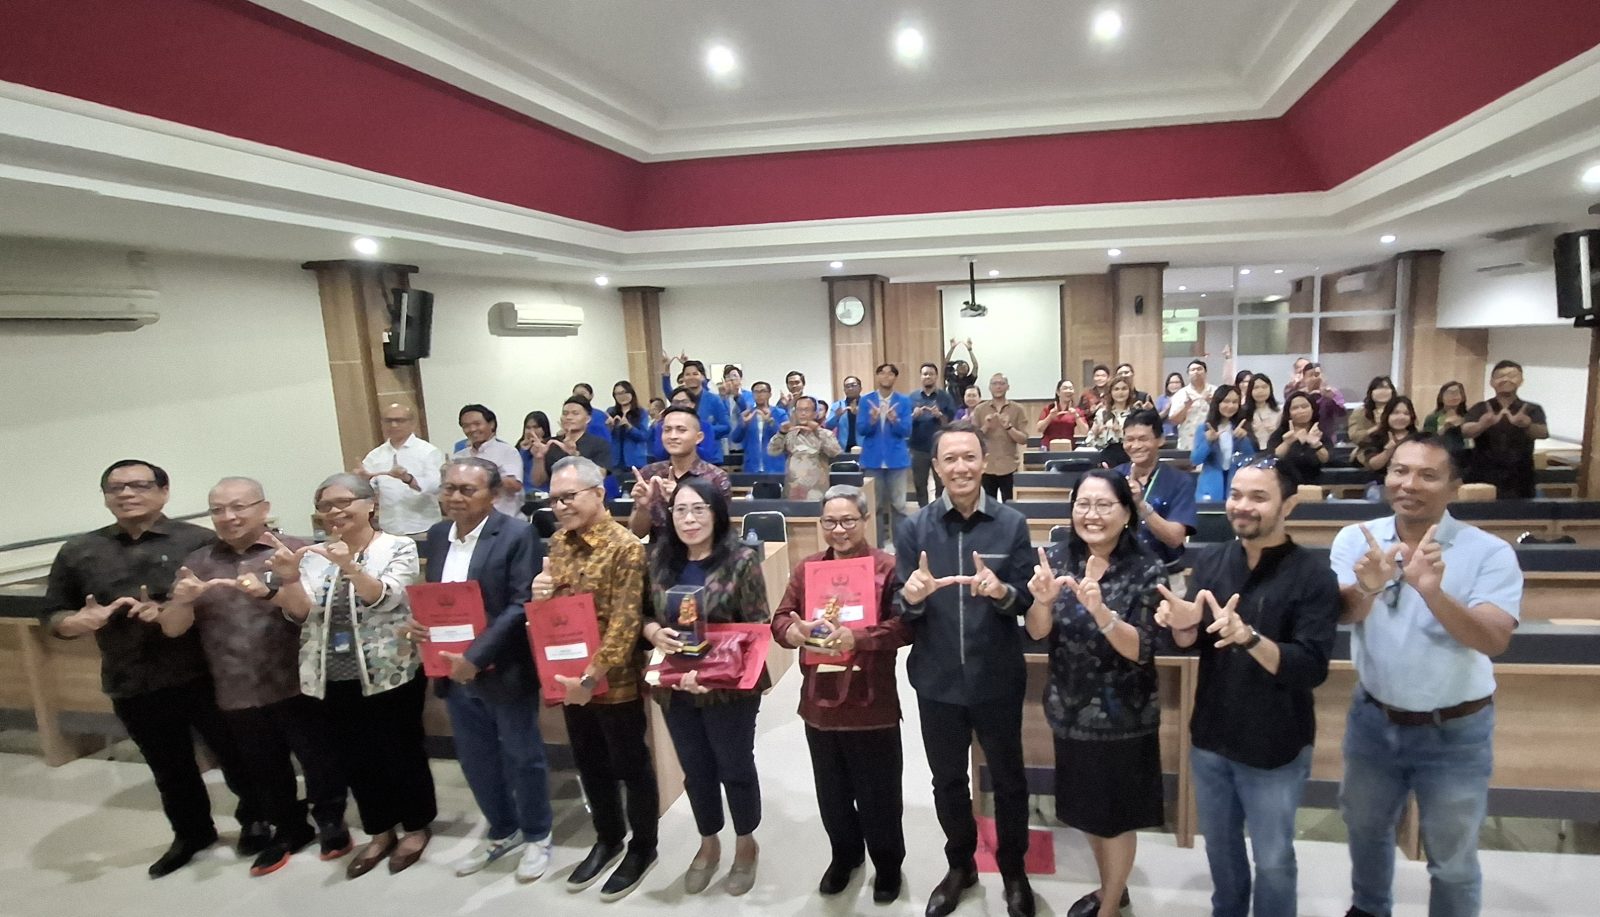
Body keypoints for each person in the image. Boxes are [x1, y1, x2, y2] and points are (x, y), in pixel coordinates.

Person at [1329, 435, 1522, 917]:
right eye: (1399, 471)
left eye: (1427, 475)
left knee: (1452, 859)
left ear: (1454, 486)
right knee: (1366, 833)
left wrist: (1433, 592)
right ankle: (1370, 908)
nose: (1408, 484)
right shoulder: (1357, 539)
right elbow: (1342, 614)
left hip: (1455, 732)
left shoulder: (1489, 552)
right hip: (1373, 722)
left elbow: (1494, 640)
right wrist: (1370, 587)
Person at [44, 459, 258, 877]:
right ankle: (192, 833)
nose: (126, 494)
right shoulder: (79, 551)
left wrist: (170, 608)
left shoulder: (199, 542)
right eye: (115, 488)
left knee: (236, 756)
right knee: (169, 767)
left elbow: (228, 600)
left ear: (164, 492)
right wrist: (75, 623)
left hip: (205, 672)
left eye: (139, 485)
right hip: (132, 678)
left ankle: (256, 820)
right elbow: (53, 613)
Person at [1156, 457, 1339, 917]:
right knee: (1220, 851)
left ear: (1288, 505)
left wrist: (1250, 638)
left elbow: (1311, 667)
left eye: (1259, 497)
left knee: (1274, 860)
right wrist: (1181, 626)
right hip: (1212, 737)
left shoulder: (1314, 576)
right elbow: (1196, 642)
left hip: (1276, 745)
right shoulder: (1214, 559)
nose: (1243, 506)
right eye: (1236, 495)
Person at [156, 477, 350, 877]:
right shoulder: (197, 562)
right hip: (234, 684)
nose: (228, 517)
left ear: (264, 508)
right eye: (218, 510)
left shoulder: (296, 550)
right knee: (263, 767)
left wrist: (284, 581)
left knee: (319, 758)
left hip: (298, 678)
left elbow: (305, 613)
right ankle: (289, 828)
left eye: (239, 507)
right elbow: (173, 629)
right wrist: (182, 600)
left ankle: (331, 822)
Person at [895, 421, 1038, 917]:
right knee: (947, 781)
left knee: (1009, 778)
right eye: (949, 459)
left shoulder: (1010, 524)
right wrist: (910, 599)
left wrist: (1002, 593)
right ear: (936, 467)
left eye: (969, 457)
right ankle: (961, 865)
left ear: (984, 462)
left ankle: (1014, 868)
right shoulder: (915, 528)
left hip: (996, 675)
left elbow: (1026, 600)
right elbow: (901, 603)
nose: (960, 467)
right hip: (936, 680)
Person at [262, 473, 436, 878]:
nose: (335, 512)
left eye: (344, 502)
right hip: (331, 674)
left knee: (401, 752)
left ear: (371, 503)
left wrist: (350, 567)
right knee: (355, 757)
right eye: (325, 506)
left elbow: (387, 596)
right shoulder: (312, 554)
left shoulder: (398, 546)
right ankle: (379, 830)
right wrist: (288, 576)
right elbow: (300, 613)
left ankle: (414, 827)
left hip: (389, 670)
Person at [1025, 470, 1166, 917]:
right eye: (1083, 504)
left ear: (1126, 513)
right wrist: (1043, 601)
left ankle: (1108, 908)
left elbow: (1143, 648)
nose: (1092, 514)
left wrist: (1102, 613)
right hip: (1069, 710)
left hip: (1125, 716)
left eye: (1105, 505)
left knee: (1117, 819)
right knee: (1088, 813)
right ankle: (1113, 888)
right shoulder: (1060, 561)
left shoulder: (1147, 568)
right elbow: (1036, 631)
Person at [407, 458, 551, 881]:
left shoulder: (517, 534)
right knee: (476, 758)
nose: (454, 497)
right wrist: (420, 625)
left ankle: (538, 833)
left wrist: (477, 656)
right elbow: (439, 599)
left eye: (466, 490)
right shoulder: (437, 535)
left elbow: (521, 602)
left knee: (523, 755)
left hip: (501, 666)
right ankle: (503, 829)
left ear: (493, 495)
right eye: (448, 488)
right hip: (450, 668)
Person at [771, 485, 910, 903]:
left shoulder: (887, 568)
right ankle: (844, 855)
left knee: (879, 794)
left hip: (872, 701)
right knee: (831, 792)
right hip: (820, 701)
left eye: (848, 520)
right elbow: (779, 620)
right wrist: (792, 631)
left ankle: (887, 864)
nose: (839, 529)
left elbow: (905, 627)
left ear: (864, 520)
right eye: (830, 521)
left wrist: (859, 636)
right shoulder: (808, 569)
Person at [530, 457, 658, 900]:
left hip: (612, 679)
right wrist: (539, 595)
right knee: (590, 764)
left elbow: (626, 622)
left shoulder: (626, 546)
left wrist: (590, 677)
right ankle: (608, 838)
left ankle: (644, 846)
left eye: (570, 496)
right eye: (554, 499)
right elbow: (555, 618)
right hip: (568, 679)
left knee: (630, 765)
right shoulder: (558, 543)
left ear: (598, 494)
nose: (561, 506)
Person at [641, 480, 771, 896]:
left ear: (716, 513)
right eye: (680, 510)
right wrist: (653, 631)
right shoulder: (659, 558)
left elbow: (757, 627)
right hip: (675, 685)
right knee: (696, 770)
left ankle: (746, 843)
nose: (689, 519)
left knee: (734, 766)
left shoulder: (741, 561)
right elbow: (643, 613)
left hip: (729, 688)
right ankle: (708, 842)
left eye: (699, 509)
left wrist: (714, 673)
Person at [1115, 410, 1197, 594]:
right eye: (1129, 439)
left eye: (1143, 439)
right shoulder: (1115, 476)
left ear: (1160, 440)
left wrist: (1141, 505)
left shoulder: (1179, 481)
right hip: (1119, 574)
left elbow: (1175, 539)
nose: (1135, 446)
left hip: (1167, 577)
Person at [629, 405, 733, 539]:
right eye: (667, 430)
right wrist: (642, 507)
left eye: (681, 430)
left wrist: (679, 500)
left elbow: (720, 532)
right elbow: (638, 532)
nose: (673, 436)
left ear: (699, 437)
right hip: (660, 555)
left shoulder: (716, 478)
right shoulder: (650, 473)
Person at [1461, 359, 1548, 499]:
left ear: (1521, 381)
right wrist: (1482, 424)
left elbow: (1543, 433)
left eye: (1512, 375)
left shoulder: (1532, 409)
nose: (1506, 379)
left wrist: (1526, 425)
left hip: (1520, 476)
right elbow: (1465, 431)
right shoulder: (1481, 407)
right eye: (1500, 376)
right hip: (1483, 475)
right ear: (1492, 382)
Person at [356, 402, 444, 538]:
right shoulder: (375, 455)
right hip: (389, 529)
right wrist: (362, 480)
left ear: (412, 423)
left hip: (423, 527)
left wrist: (408, 479)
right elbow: (366, 491)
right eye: (388, 421)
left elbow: (436, 486)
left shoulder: (428, 451)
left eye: (399, 421)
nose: (394, 425)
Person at [859, 363, 914, 545]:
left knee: (899, 505)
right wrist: (873, 420)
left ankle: (901, 545)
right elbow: (861, 429)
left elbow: (906, 431)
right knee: (874, 506)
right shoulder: (866, 400)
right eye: (882, 373)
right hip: (873, 460)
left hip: (896, 460)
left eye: (890, 374)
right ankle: (877, 544)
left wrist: (894, 420)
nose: (886, 377)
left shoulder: (903, 401)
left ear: (895, 378)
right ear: (877, 377)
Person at [453, 404, 524, 517]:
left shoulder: (507, 452)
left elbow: (515, 486)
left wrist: (483, 476)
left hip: (503, 520)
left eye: (477, 424)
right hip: (469, 520)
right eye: (466, 426)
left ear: (491, 424)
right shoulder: (459, 457)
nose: (472, 429)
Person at [661, 354, 734, 464]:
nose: (691, 377)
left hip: (710, 457)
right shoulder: (680, 398)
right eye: (687, 374)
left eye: (695, 374)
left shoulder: (714, 399)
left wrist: (701, 430)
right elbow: (669, 392)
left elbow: (726, 427)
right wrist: (666, 369)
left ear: (702, 376)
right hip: (682, 457)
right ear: (683, 378)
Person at [768, 395, 843, 500]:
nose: (803, 413)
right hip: (793, 489)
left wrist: (817, 430)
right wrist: (781, 433)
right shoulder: (789, 433)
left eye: (806, 410)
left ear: (815, 413)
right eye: (799, 410)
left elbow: (835, 452)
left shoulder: (825, 434)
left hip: (817, 491)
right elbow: (772, 451)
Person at [530, 396, 611, 489]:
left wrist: (575, 455)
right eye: (565, 413)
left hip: (586, 498)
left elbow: (599, 476)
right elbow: (537, 482)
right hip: (557, 498)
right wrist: (538, 459)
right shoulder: (550, 443)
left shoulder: (599, 444)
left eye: (575, 413)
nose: (569, 417)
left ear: (588, 419)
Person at [972, 372, 1030, 501]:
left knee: (1010, 506)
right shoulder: (980, 409)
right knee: (987, 508)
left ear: (1008, 387)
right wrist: (986, 427)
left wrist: (1008, 427)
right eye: (994, 384)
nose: (998, 386)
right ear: (989, 387)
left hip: (1009, 466)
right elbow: (974, 439)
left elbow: (1023, 439)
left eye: (1002, 383)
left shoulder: (1018, 409)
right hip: (987, 467)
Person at [1192, 384, 1255, 503]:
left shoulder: (1243, 427)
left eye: (1235, 402)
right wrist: (1208, 441)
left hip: (1237, 486)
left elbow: (1251, 460)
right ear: (1217, 403)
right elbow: (1195, 459)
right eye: (1226, 401)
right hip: (1210, 486)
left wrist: (1244, 439)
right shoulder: (1204, 428)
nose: (1230, 406)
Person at [910, 362, 958, 505]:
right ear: (920, 377)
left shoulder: (945, 397)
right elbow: (903, 423)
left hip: (940, 448)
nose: (928, 377)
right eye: (925, 374)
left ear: (936, 376)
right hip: (918, 448)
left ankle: (941, 512)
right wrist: (914, 416)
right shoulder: (912, 397)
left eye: (931, 374)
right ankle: (924, 513)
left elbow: (950, 423)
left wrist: (939, 415)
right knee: (920, 485)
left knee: (942, 484)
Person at [1353, 396, 1418, 496]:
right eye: (1396, 413)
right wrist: (1388, 450)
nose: (1401, 417)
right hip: (1382, 483)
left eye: (1406, 413)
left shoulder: (1418, 438)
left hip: (1412, 483)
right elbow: (1373, 465)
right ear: (1387, 415)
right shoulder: (1376, 437)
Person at [1267, 391, 1330, 485]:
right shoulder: (1280, 433)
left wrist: (1316, 444)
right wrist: (1287, 443)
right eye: (1295, 408)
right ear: (1288, 413)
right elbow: (1272, 458)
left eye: (1305, 407)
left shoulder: (1319, 432)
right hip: (1284, 483)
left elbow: (1327, 459)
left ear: (1313, 409)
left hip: (1315, 484)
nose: (1301, 411)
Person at [730, 381, 789, 474]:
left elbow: (787, 438)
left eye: (763, 391)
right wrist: (743, 424)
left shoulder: (780, 413)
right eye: (756, 392)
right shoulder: (748, 413)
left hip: (775, 467)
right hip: (752, 468)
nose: (759, 395)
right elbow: (735, 438)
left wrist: (770, 422)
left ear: (769, 394)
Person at [1085, 377, 1138, 463]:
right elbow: (1089, 441)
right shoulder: (1102, 413)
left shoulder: (1136, 413)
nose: (1120, 392)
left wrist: (1120, 432)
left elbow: (1139, 439)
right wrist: (1097, 434)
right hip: (1106, 456)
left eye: (1124, 389)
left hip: (1130, 457)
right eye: (1116, 389)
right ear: (1110, 392)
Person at [1165, 358, 1214, 450]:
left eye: (1199, 369)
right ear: (1188, 374)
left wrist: (1211, 403)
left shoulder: (1215, 391)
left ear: (1205, 372)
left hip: (1211, 441)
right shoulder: (1180, 394)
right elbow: (1174, 420)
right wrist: (1186, 406)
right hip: (1187, 443)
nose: (1196, 372)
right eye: (1192, 370)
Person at [607, 381, 653, 473]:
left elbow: (644, 436)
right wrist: (609, 427)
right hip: (615, 461)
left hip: (635, 460)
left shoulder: (641, 412)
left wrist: (629, 426)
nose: (621, 396)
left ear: (631, 393)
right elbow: (606, 437)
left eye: (624, 392)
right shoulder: (611, 411)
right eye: (618, 394)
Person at [1299, 362, 1348, 438]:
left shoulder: (1333, 393)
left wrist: (1330, 398)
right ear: (1304, 379)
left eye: (1317, 375)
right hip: (1304, 435)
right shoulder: (1299, 395)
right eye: (1311, 375)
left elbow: (1341, 415)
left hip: (1328, 437)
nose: (1315, 378)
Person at [1347, 376, 1397, 447]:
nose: (1382, 391)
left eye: (1386, 387)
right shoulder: (1360, 412)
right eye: (1379, 388)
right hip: (1368, 449)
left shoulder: (1399, 409)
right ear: (1371, 392)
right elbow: (1354, 436)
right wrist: (1376, 428)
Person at [1036, 379, 1084, 451]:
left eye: (1071, 388)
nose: (1068, 391)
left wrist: (1076, 417)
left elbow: (1085, 431)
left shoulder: (1076, 411)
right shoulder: (1049, 409)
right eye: (1065, 388)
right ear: (1058, 392)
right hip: (1048, 447)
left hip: (1068, 448)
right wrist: (1050, 417)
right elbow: (1039, 429)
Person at [516, 410, 554, 497]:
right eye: (528, 428)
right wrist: (523, 450)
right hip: (521, 495)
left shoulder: (550, 447)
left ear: (544, 429)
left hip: (542, 494)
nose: (531, 431)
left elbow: (540, 480)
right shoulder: (519, 446)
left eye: (536, 427)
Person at [825, 375, 866, 453]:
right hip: (843, 448)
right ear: (844, 390)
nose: (850, 388)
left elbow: (874, 426)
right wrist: (837, 416)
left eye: (853, 385)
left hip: (864, 448)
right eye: (847, 386)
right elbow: (828, 427)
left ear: (860, 388)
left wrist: (860, 414)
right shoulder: (838, 405)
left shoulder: (867, 404)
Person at [1243, 374, 1281, 450]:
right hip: (1253, 452)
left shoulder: (1279, 410)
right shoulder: (1243, 412)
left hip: (1275, 450)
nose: (1260, 391)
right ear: (1250, 390)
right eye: (1256, 388)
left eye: (1264, 387)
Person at [943, 337, 980, 403]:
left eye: (964, 366)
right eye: (960, 365)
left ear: (968, 370)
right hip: (951, 405)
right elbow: (945, 364)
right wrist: (952, 348)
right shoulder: (951, 377)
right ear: (956, 369)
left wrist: (970, 350)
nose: (961, 367)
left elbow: (975, 366)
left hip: (965, 405)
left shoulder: (969, 380)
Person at [1155, 372, 1184, 439]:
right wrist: (1166, 410)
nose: (1174, 385)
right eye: (1171, 383)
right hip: (1165, 434)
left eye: (1177, 382)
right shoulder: (1161, 399)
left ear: (1182, 384)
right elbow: (1155, 419)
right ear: (1167, 385)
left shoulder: (1186, 398)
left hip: (1182, 434)